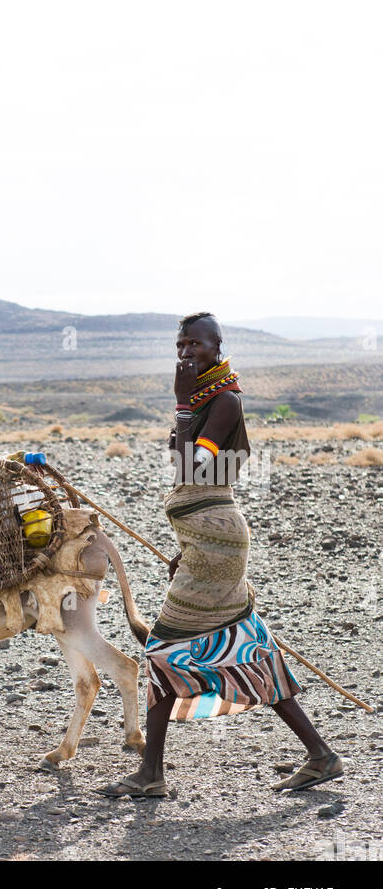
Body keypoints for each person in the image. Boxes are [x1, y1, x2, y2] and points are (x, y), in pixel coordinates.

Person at [100, 311, 342, 798]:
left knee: (164, 649)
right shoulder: (206, 399)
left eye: (196, 344)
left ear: (217, 347)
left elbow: (193, 468)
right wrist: (184, 548)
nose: (186, 352)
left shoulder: (224, 401)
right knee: (244, 646)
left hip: (217, 544)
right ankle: (320, 755)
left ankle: (151, 775)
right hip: (205, 543)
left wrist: (181, 404)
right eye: (181, 344)